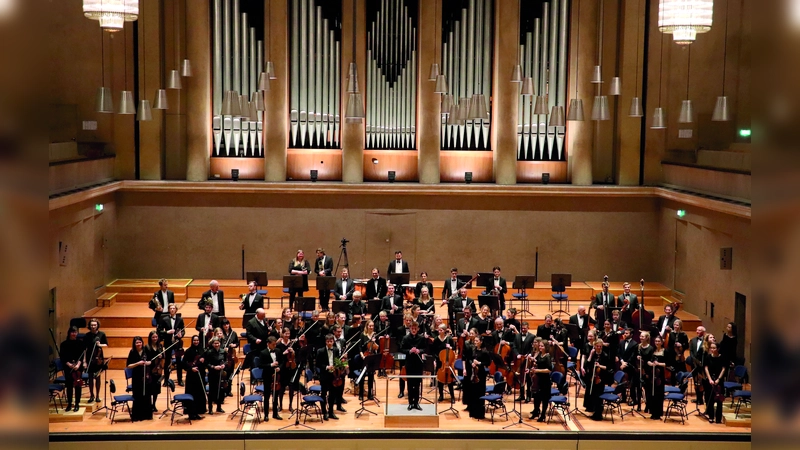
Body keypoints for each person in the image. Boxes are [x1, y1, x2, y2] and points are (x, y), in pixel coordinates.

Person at [316, 333, 346, 420]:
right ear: (325, 342)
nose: (329, 343)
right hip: (324, 376)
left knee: (332, 394)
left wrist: (341, 364)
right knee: (324, 394)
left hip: (334, 376)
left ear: (333, 342)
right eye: (328, 341)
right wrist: (326, 367)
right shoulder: (320, 351)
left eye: (331, 341)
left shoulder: (336, 350)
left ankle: (331, 412)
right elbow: (317, 364)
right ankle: (324, 412)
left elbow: (337, 361)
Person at [401, 321, 427, 411]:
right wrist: (409, 351)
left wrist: (419, 351)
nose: (414, 330)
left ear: (418, 329)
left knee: (417, 384)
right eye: (412, 328)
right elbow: (402, 349)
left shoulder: (421, 338)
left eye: (415, 329)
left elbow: (425, 348)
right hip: (409, 363)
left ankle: (416, 402)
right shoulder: (405, 338)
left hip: (418, 364)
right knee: (410, 383)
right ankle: (410, 403)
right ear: (410, 329)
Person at [126, 336, 153, 421]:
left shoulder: (146, 350)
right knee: (138, 395)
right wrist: (138, 363)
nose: (138, 344)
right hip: (136, 377)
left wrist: (148, 363)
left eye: (140, 342)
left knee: (147, 395)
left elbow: (151, 361)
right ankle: (138, 415)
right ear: (134, 344)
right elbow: (128, 366)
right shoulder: (132, 352)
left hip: (146, 376)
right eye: (137, 342)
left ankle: (147, 415)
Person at [158, 304, 185, 386]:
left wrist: (181, 334)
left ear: (176, 310)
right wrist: (167, 332)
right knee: (167, 361)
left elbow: (183, 330)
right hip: (168, 342)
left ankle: (180, 380)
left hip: (178, 343)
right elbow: (159, 330)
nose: (172, 310)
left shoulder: (180, 319)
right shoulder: (164, 319)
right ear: (169, 310)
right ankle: (166, 380)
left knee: (179, 361)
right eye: (171, 308)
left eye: (174, 308)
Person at [464, 335, 491, 419]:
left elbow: (488, 363)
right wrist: (472, 362)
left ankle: (480, 414)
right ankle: (473, 412)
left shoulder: (484, 352)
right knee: (473, 393)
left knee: (479, 393)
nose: (475, 342)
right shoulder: (473, 349)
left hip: (481, 374)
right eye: (474, 341)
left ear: (481, 342)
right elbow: (469, 358)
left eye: (476, 341)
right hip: (473, 373)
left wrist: (479, 363)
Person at [60, 326, 85, 412]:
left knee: (78, 385)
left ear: (77, 333)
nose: (74, 334)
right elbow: (63, 357)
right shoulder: (63, 344)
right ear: (69, 333)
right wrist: (69, 365)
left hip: (78, 367)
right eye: (72, 332)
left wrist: (78, 365)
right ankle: (69, 404)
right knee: (69, 386)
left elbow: (81, 356)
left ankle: (77, 404)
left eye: (75, 332)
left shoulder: (80, 343)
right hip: (68, 367)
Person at [83, 318, 108, 403]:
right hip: (90, 358)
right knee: (90, 378)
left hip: (98, 358)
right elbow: (85, 349)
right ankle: (91, 395)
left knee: (97, 377)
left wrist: (100, 344)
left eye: (95, 325)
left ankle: (97, 395)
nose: (93, 326)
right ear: (89, 326)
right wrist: (85, 361)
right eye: (92, 325)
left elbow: (106, 345)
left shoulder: (102, 334)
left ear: (97, 325)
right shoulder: (87, 336)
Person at [258, 336, 283, 420]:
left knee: (275, 396)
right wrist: (271, 365)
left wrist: (279, 367)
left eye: (275, 344)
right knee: (267, 396)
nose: (274, 346)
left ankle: (275, 414)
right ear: (268, 344)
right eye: (273, 344)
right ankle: (266, 415)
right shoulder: (263, 353)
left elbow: (282, 362)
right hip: (267, 376)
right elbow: (260, 365)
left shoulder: (278, 351)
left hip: (277, 377)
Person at [429, 323, 456, 402]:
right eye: (438, 329)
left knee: (450, 380)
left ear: (444, 331)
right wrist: (434, 359)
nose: (439, 331)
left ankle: (452, 396)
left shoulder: (449, 339)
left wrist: (451, 347)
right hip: (439, 361)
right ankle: (441, 395)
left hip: (448, 362)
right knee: (440, 379)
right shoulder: (436, 339)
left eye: (441, 330)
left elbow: (454, 348)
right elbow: (433, 351)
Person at [182, 335, 207, 419]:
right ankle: (191, 413)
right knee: (193, 393)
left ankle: (199, 411)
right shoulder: (188, 351)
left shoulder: (202, 350)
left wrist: (203, 360)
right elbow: (184, 363)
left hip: (200, 375)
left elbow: (206, 360)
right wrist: (191, 368)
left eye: (197, 340)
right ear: (192, 341)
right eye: (194, 340)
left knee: (200, 394)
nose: (196, 342)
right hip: (192, 377)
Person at [587, 338, 611, 421]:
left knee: (599, 397)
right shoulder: (593, 354)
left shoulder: (605, 355)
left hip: (601, 379)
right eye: (597, 346)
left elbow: (607, 367)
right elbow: (588, 364)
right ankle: (595, 412)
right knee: (593, 396)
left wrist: (599, 365)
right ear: (594, 346)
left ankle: (599, 414)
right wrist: (590, 354)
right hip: (592, 378)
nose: (599, 348)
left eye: (600, 346)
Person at [529, 340, 553, 422]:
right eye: (539, 346)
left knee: (544, 398)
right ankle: (536, 411)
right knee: (536, 397)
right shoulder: (539, 354)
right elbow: (538, 363)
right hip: (538, 379)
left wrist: (537, 370)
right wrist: (534, 366)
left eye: (542, 346)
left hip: (545, 380)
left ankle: (543, 415)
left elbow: (549, 369)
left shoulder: (547, 356)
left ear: (546, 347)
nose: (540, 347)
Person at [276, 327, 300, 412]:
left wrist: (293, 352)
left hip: (291, 367)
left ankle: (290, 406)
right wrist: (283, 353)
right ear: (282, 334)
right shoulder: (279, 345)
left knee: (291, 387)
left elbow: (297, 355)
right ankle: (280, 405)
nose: (287, 335)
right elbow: (277, 356)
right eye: (285, 334)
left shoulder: (292, 343)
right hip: (283, 368)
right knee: (281, 388)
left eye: (288, 334)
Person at [704, 341, 727, 424]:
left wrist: (718, 379)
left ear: (718, 349)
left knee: (719, 400)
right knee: (709, 399)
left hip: (719, 381)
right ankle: (711, 416)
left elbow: (723, 369)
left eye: (714, 348)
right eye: (711, 348)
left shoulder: (722, 357)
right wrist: (710, 379)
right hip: (710, 381)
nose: (712, 349)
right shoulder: (708, 357)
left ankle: (718, 418)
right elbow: (706, 368)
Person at [646, 335, 668, 420]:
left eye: (659, 341)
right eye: (656, 341)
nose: (657, 343)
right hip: (652, 375)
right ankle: (652, 412)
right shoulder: (652, 350)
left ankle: (658, 413)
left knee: (658, 394)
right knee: (652, 394)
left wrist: (658, 364)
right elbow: (648, 360)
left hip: (659, 376)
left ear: (662, 342)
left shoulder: (665, 351)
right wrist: (650, 363)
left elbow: (667, 364)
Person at [357, 320, 378, 400]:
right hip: (364, 357)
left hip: (372, 357)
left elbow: (377, 347)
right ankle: (361, 393)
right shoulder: (363, 335)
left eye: (372, 326)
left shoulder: (375, 334)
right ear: (367, 326)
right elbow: (359, 347)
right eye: (370, 326)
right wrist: (362, 355)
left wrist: (375, 343)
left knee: (371, 376)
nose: (371, 327)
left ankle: (370, 394)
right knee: (362, 376)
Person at [617, 328, 639, 404]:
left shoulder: (635, 344)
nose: (625, 334)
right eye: (625, 333)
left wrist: (626, 363)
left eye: (627, 333)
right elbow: (619, 353)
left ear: (631, 335)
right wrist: (622, 362)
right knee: (622, 381)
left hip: (631, 366)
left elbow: (633, 356)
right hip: (622, 364)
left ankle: (634, 399)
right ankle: (623, 398)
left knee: (631, 384)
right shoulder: (621, 342)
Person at [145, 331, 164, 413]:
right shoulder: (147, 347)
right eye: (153, 337)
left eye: (156, 337)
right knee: (149, 388)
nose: (155, 338)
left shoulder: (160, 346)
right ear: (150, 338)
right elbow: (145, 357)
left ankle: (154, 404)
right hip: (149, 369)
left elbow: (163, 357)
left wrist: (161, 355)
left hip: (157, 369)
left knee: (156, 389)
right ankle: (149, 405)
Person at [637, 332, 655, 415]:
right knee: (638, 388)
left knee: (647, 389)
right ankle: (639, 405)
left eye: (643, 336)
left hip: (647, 371)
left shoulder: (651, 348)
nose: (641, 338)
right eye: (640, 336)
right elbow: (635, 356)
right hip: (639, 370)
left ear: (647, 338)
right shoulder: (639, 346)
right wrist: (637, 357)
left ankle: (648, 405)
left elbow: (651, 359)